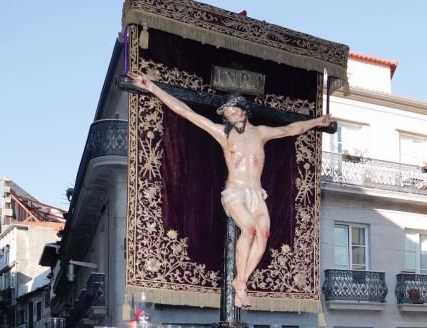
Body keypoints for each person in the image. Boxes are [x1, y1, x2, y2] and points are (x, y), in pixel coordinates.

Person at [127, 71, 336, 309]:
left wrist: (317, 122)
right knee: (248, 229)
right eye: (226, 114)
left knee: (264, 234)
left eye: (233, 112)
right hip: (235, 192)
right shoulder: (222, 133)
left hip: (257, 193)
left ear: (243, 111)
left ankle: (241, 281)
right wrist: (152, 87)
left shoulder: (261, 132)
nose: (230, 117)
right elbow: (186, 112)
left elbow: (292, 129)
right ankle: (241, 284)